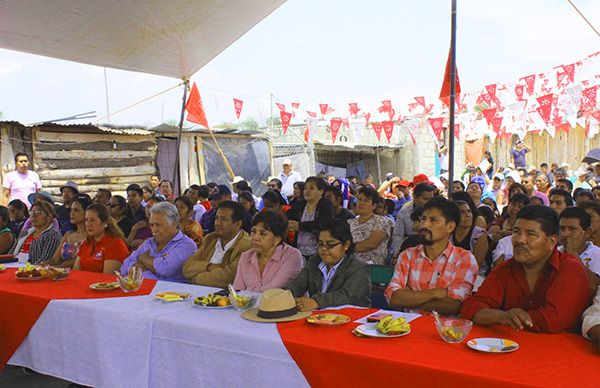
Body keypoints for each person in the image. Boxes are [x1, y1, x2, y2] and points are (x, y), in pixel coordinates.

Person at [462, 205, 592, 333]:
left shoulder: (570, 269)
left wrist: (510, 318)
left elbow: (553, 320)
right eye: (516, 232)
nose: (519, 240)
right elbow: (471, 308)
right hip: (510, 346)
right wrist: (501, 316)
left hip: (562, 350)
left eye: (531, 234)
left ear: (552, 241)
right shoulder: (506, 269)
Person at [385, 197, 478, 315]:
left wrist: (410, 297)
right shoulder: (407, 255)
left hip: (446, 331)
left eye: (433, 220)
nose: (424, 225)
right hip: (407, 328)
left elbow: (454, 305)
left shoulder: (464, 259)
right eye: (423, 219)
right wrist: (436, 293)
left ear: (450, 227)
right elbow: (394, 298)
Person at [284, 219, 371, 310]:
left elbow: (346, 296)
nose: (323, 249)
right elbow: (298, 283)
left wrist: (316, 302)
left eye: (330, 245)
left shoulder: (359, 267)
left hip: (354, 319)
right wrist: (285, 295)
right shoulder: (315, 261)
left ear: (346, 245)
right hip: (319, 318)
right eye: (320, 244)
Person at [121, 202, 197, 282]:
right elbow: (124, 268)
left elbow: (165, 269)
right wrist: (154, 264)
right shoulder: (149, 242)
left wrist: (143, 258)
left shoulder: (187, 245)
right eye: (152, 225)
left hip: (171, 292)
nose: (154, 229)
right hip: (141, 289)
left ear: (174, 224)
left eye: (158, 225)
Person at [183, 201, 251, 288]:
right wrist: (209, 267)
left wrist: (194, 279)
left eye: (223, 219)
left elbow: (228, 278)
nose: (217, 223)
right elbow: (187, 267)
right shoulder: (210, 239)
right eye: (216, 218)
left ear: (238, 223)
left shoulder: (246, 246)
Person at [233, 210, 303, 292]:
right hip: (249, 305)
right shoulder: (245, 257)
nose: (255, 237)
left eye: (262, 234)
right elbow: (237, 290)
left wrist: (246, 294)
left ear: (277, 239)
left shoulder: (292, 256)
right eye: (253, 231)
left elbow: (274, 290)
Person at [287, 177, 335, 260]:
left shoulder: (325, 204)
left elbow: (327, 223)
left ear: (321, 191)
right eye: (305, 188)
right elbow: (287, 215)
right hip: (299, 252)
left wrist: (300, 226)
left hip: (319, 253)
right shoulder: (301, 204)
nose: (307, 191)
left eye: (312, 188)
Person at [73, 203, 129, 274]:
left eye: (92, 220)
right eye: (86, 220)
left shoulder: (115, 244)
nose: (88, 224)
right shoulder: (86, 243)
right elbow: (75, 271)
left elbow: (107, 279)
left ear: (105, 223)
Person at [558, 207, 600, 289]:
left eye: (572, 229)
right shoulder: (554, 253)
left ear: (587, 232)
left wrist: (574, 255)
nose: (565, 234)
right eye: (562, 228)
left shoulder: (597, 255)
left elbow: (593, 287)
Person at [45, 195, 92, 268]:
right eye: (71, 210)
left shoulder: (91, 236)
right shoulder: (68, 234)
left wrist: (58, 268)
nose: (72, 213)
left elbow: (78, 261)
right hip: (61, 273)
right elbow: (54, 259)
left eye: (76, 210)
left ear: (87, 213)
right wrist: (42, 264)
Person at [348, 186, 391, 265]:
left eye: (366, 200)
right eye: (359, 199)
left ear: (374, 206)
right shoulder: (349, 223)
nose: (361, 203)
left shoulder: (381, 221)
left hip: (371, 268)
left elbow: (370, 244)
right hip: (349, 265)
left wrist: (346, 248)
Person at [391, 182, 435, 256]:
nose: (429, 202)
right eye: (425, 199)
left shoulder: (436, 212)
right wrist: (397, 255)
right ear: (415, 197)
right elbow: (398, 235)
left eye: (431, 199)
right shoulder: (404, 211)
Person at [451, 199, 491, 275]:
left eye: (469, 211)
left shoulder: (479, 235)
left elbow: (476, 265)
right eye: (462, 212)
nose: (468, 215)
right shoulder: (449, 234)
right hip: (452, 272)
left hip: (477, 275)